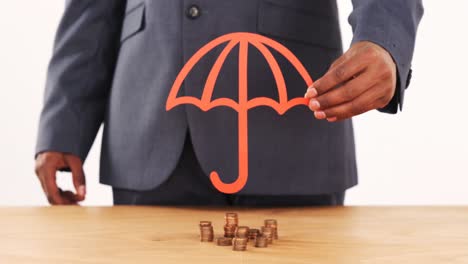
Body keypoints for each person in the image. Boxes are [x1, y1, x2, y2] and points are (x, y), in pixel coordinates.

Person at [35, 0, 423, 206]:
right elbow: (91, 10)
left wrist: (383, 39)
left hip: (291, 121)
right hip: (149, 124)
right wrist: (63, 123)